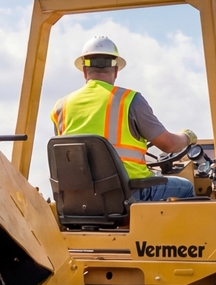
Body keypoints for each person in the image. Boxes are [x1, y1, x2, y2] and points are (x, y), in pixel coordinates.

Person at [50, 36, 200, 202]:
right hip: (129, 193)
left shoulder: (61, 107)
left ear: (84, 71)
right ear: (116, 71)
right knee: (186, 187)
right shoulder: (130, 101)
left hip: (78, 199)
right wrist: (187, 136)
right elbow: (169, 145)